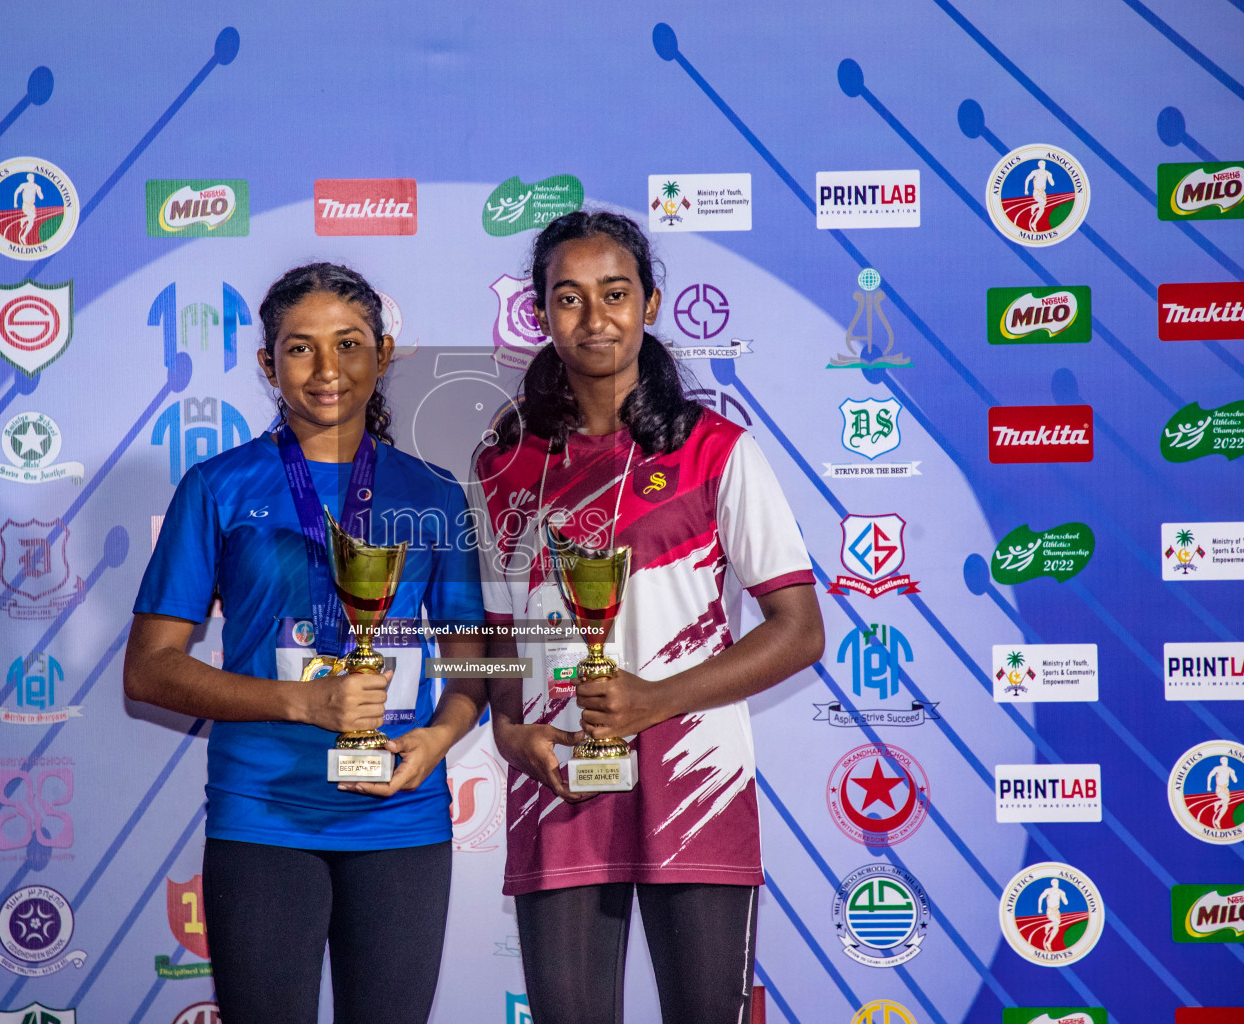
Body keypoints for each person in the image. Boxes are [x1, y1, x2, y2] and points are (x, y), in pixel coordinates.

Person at [470, 211, 825, 1024]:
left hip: (695, 783)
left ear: (652, 303)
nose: (594, 318)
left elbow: (799, 629)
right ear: (540, 314)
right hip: (559, 787)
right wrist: (506, 728)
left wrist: (655, 700)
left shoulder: (716, 449)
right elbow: (497, 636)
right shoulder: (502, 460)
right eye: (568, 297)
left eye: (615, 293)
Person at [124, 263, 488, 1024]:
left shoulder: (434, 494)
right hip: (263, 815)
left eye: (349, 344)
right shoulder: (217, 486)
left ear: (382, 355)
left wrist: (440, 738)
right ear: (267, 364)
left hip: (400, 816)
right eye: (300, 349)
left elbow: (473, 666)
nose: (327, 370)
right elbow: (150, 671)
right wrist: (302, 700)